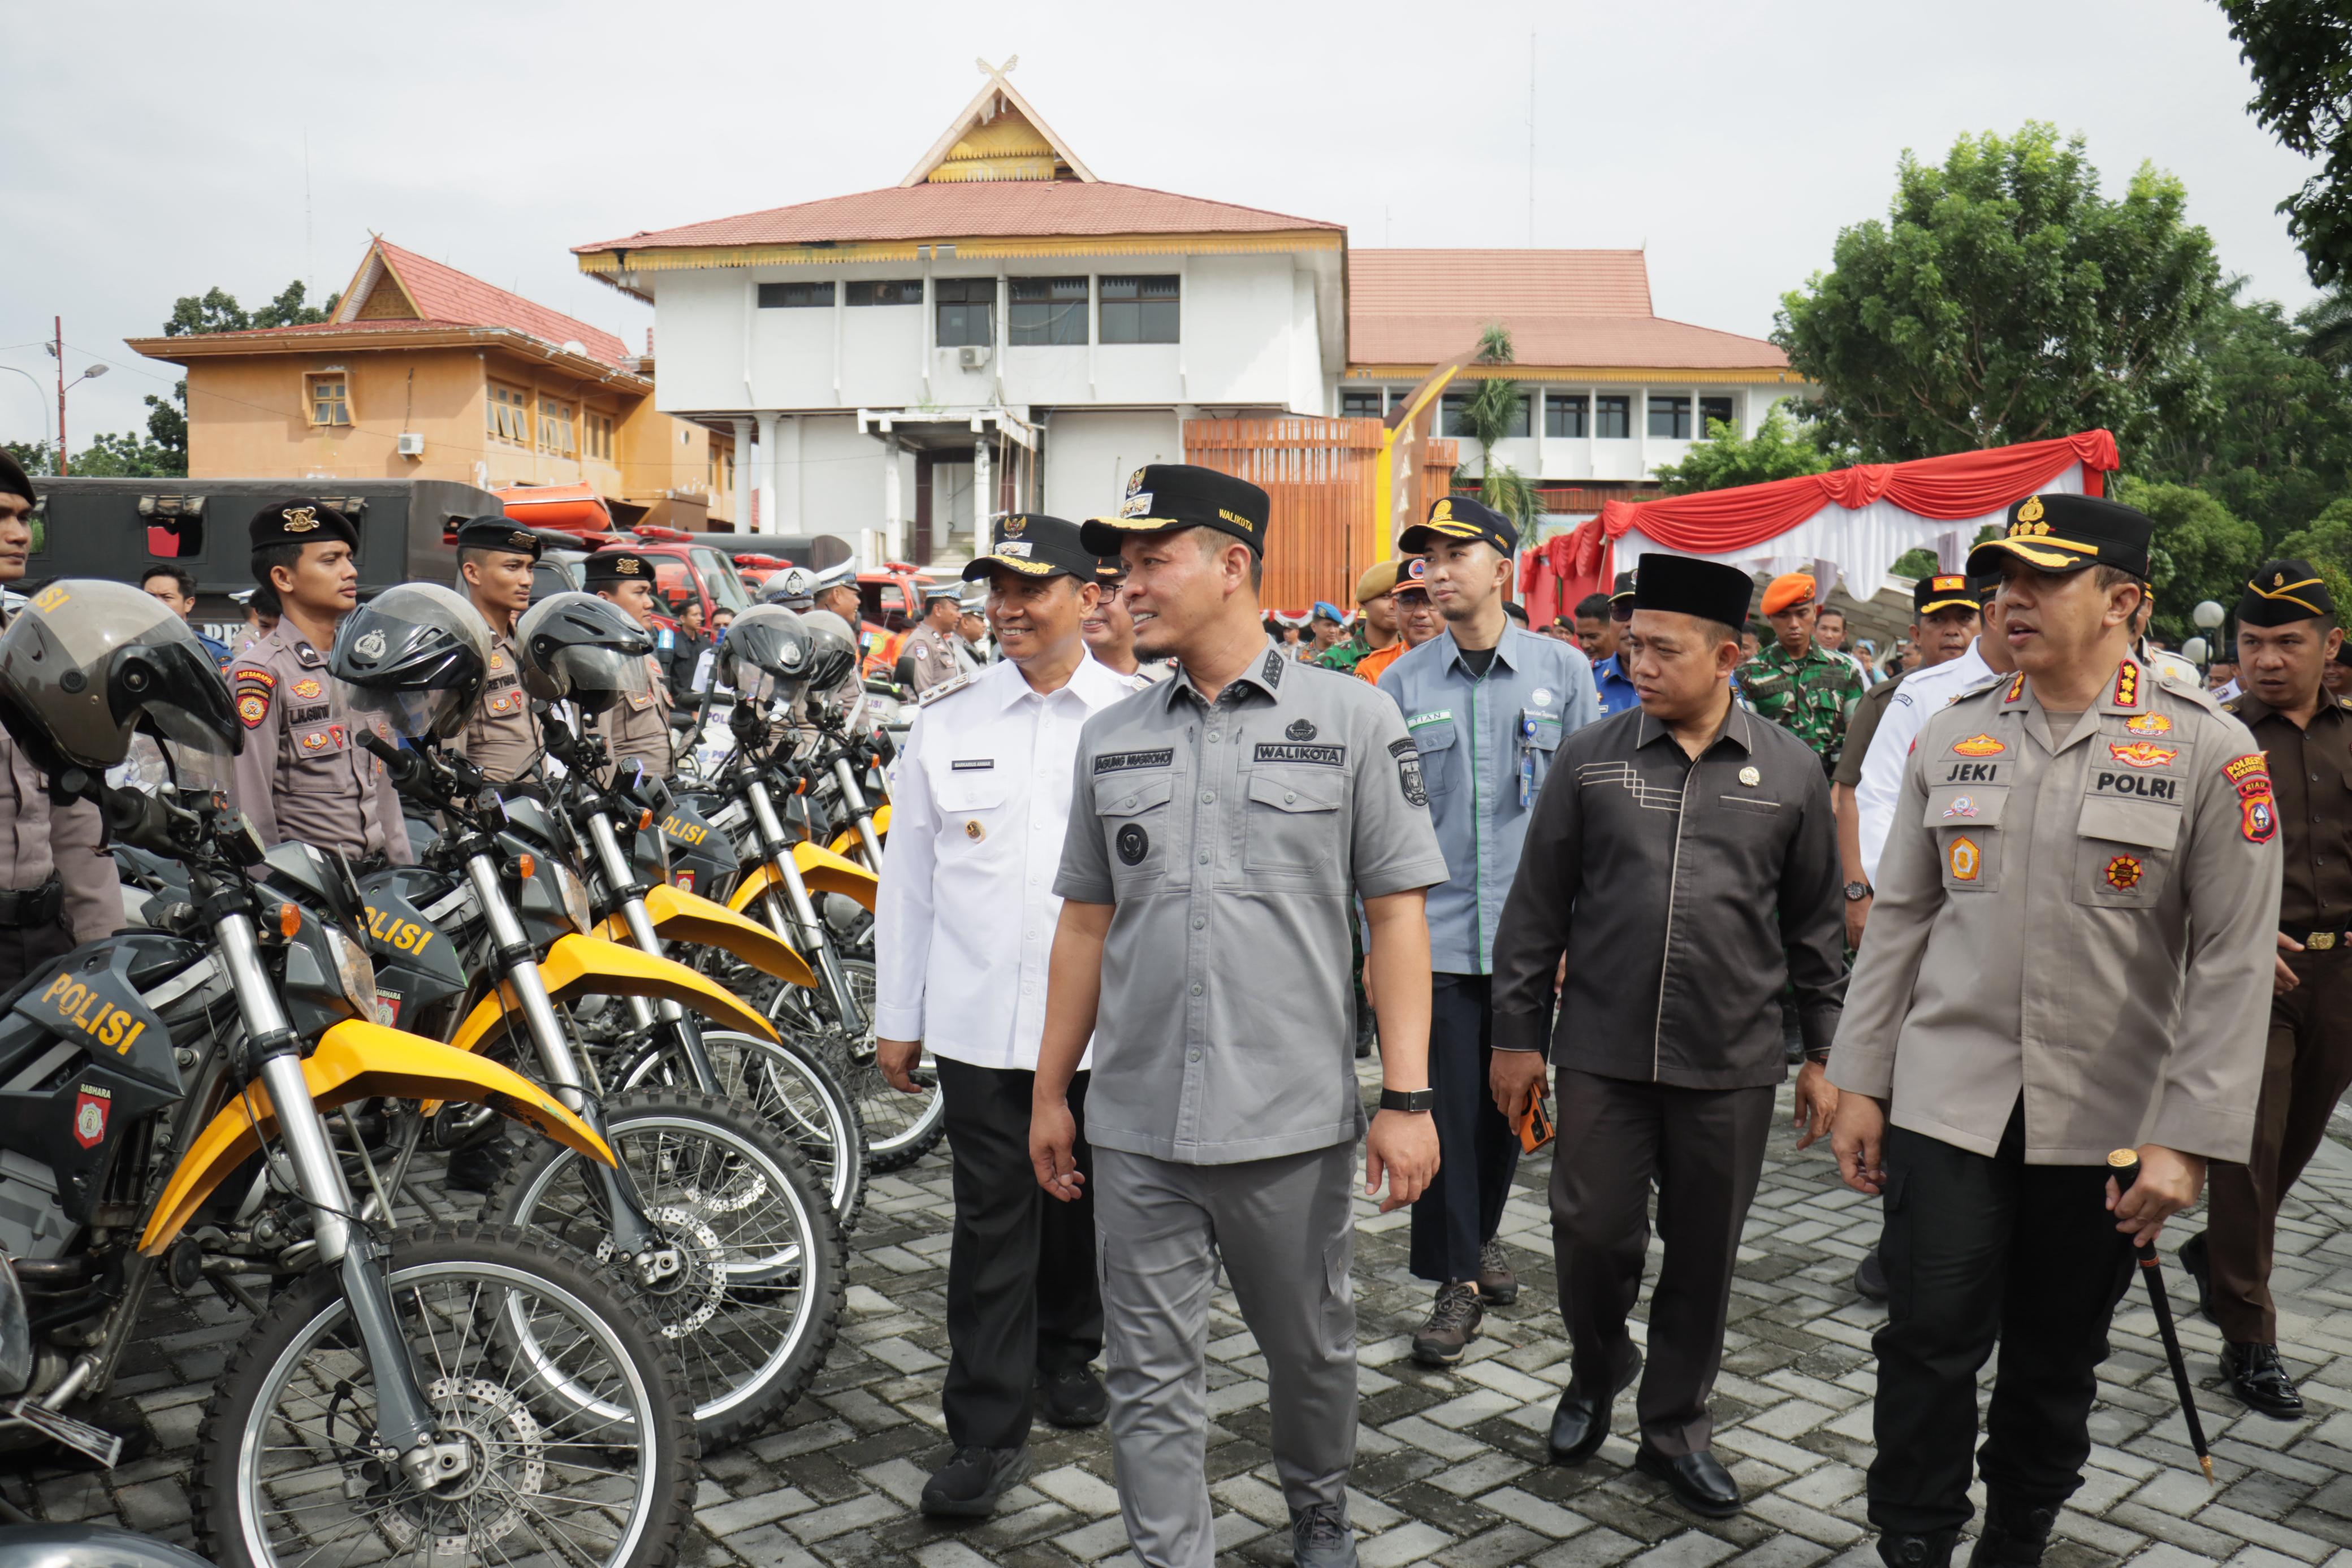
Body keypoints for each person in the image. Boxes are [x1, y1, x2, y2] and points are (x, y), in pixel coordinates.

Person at [1827, 493, 2278, 1568]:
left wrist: (2187, 1137)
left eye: (2042, 578)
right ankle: (1915, 1538)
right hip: (1950, 1098)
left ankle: (2017, 1536)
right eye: (2002, 578)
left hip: (2107, 1117)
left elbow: (2232, 960)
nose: (2010, 599)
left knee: (2053, 1356)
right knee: (1926, 1337)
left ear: (2124, 599)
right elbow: (1902, 923)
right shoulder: (1954, 729)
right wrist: (1860, 1078)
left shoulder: (2209, 751)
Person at [1033, 463, 1447, 1568]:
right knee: (1148, 1370)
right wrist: (1049, 1091)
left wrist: (1404, 1097)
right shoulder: (1110, 739)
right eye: (1120, 568)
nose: (1126, 588)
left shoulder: (1352, 717)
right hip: (1135, 1127)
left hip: (1291, 1127)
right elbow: (1083, 927)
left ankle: (1320, 1508)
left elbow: (1396, 921)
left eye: (1149, 562)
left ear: (1231, 565)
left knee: (1308, 1349)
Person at [1488, 553, 1844, 1519]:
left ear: (1728, 654)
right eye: (1633, 644)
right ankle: (1598, 1367)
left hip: (1731, 1059)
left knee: (1703, 1252)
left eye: (1664, 648)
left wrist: (1824, 1054)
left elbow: (1815, 927)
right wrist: (1517, 1036)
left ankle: (1675, 1425)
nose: (1639, 662)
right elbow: (1535, 910)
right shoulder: (1592, 756)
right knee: (1590, 1232)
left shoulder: (1790, 770)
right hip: (1599, 1046)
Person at [874, 514, 1131, 1517]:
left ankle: (1070, 1349)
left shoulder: (1135, 717)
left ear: (1086, 595)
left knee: (1086, 1203)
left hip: (1108, 1029)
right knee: (991, 1224)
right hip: (983, 1021)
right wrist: (900, 1013)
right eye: (997, 590)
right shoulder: (948, 718)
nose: (1010, 609)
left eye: (1032, 589)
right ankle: (984, 1427)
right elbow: (910, 884)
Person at [1378, 496, 1599, 1365]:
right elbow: (1382, 826)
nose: (1437, 567)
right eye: (1427, 555)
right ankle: (1458, 1279)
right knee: (1442, 1108)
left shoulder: (1562, 671)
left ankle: (1478, 1237)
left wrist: (1580, 928)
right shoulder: (1402, 681)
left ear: (1504, 566)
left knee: (1511, 1109)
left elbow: (1592, 813)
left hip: (1530, 938)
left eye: (1456, 551)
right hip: (1430, 936)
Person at [2172, 561, 2352, 1419]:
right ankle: (2251, 1337)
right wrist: (2230, 934)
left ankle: (2218, 1255)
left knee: (2298, 1142)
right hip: (2253, 975)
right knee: (2249, 1153)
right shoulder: (2215, 738)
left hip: (2344, 975)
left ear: (2330, 645)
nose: (2269, 658)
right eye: (2253, 642)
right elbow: (2171, 864)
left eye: (2288, 641)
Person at [228, 499, 413, 869]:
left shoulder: (365, 666)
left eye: (348, 558)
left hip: (380, 886)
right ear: (283, 578)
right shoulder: (260, 674)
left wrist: (406, 872)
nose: (350, 572)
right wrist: (274, 899)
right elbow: (251, 806)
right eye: (330, 561)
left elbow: (386, 793)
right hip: (313, 891)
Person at [0, 450, 123, 991]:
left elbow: (74, 816)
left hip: (45, 938)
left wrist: (102, 948)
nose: (19, 534)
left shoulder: (30, 654)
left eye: (24, 518)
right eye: (0, 517)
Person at [1845, 574, 1994, 907]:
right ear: (1916, 633)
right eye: (1938, 620)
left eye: (1965, 618)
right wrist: (1869, 890)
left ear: (1986, 623)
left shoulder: (2016, 685)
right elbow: (1864, 796)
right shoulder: (1893, 698)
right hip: (1922, 881)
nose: (1953, 631)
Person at [1742, 572, 1867, 774]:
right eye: (1783, 615)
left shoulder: (1845, 669)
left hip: (1830, 784)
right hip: (1774, 782)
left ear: (1815, 614)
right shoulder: (1749, 674)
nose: (1794, 624)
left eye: (1802, 613)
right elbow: (1747, 741)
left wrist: (1841, 790)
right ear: (1770, 619)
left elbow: (1857, 736)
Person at [452, 516, 544, 783]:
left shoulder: (525, 647)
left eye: (530, 568)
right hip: (489, 814)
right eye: (513, 567)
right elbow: (449, 762)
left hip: (538, 809)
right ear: (473, 573)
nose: (526, 580)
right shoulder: (463, 650)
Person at [582, 549, 675, 782]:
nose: (649, 603)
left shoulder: (646, 658)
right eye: (639, 593)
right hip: (628, 795)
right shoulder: (596, 662)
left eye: (649, 593)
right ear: (604, 600)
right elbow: (596, 751)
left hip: (662, 789)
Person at [1083, 558, 1169, 688]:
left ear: (1135, 592)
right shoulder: (1056, 681)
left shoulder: (1183, 673)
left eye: (1104, 589)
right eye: (1081, 591)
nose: (1090, 603)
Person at [140, 564, 231, 672]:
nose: (156, 603)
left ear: (189, 603)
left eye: (167, 597)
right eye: (149, 596)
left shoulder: (212, 651)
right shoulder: (127, 646)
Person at [1317, 562, 1402, 674]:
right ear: (1363, 603)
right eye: (1386, 596)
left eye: (1403, 597)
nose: (1395, 605)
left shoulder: (1415, 656)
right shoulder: (1329, 662)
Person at [1580, 579, 1641, 717]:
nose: (1631, 623)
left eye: (1641, 611)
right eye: (1622, 612)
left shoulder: (1681, 681)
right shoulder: (1586, 679)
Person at [905, 585, 963, 695]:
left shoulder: (937, 640)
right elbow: (921, 695)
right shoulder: (921, 642)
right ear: (937, 610)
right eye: (956, 610)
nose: (960, 615)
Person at [663, 598, 714, 696]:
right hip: (680, 704)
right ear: (683, 619)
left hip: (701, 701)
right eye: (695, 615)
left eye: (700, 614)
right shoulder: (673, 643)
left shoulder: (706, 643)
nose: (700, 618)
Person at [954, 587, 992, 677]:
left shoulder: (969, 647)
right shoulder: (954, 647)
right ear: (965, 623)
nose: (984, 625)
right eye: (980, 621)